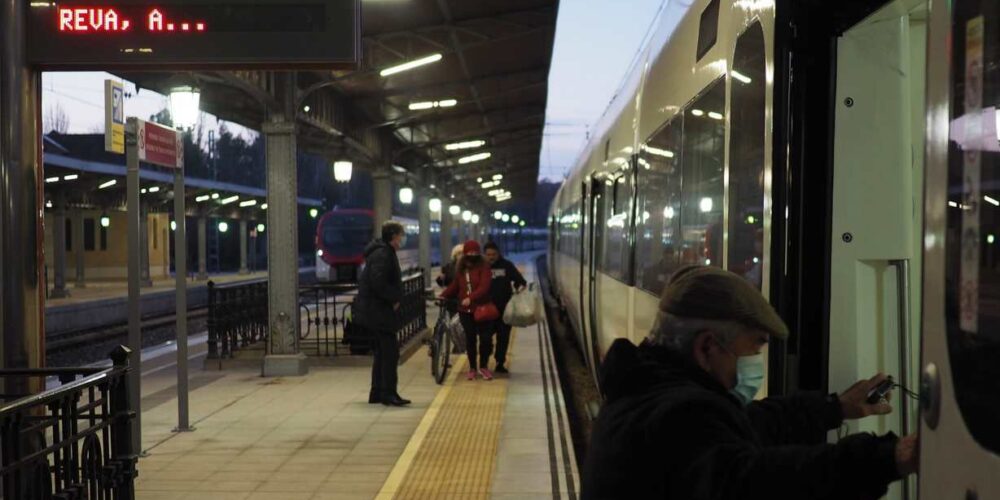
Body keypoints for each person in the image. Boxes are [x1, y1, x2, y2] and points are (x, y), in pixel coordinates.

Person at [582, 265, 918, 499]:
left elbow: (752, 422)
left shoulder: (647, 391)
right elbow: (758, 483)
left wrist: (834, 407)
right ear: (707, 347)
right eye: (755, 344)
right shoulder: (681, 414)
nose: (756, 358)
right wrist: (887, 458)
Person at [355, 220, 411, 407]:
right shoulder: (383, 253)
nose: (403, 238)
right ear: (394, 235)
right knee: (389, 354)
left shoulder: (382, 251)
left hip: (375, 310)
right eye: (401, 235)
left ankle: (377, 392)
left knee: (381, 353)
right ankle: (388, 393)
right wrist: (393, 299)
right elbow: (378, 281)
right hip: (379, 311)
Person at [440, 240, 495, 380]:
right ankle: (472, 368)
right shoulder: (461, 268)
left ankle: (483, 366)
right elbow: (455, 286)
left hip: (482, 309)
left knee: (485, 339)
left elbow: (484, 286)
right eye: (469, 253)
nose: (472, 255)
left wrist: (471, 298)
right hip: (465, 311)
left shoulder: (484, 267)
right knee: (470, 340)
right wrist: (443, 295)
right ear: (465, 254)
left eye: (475, 253)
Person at [484, 241, 527, 374]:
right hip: (485, 310)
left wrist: (516, 291)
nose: (491, 257)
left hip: (504, 310)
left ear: (498, 254)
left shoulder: (506, 265)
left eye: (494, 254)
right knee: (485, 338)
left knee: (503, 338)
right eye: (488, 254)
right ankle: (484, 362)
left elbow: (520, 281)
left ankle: (500, 362)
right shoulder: (481, 267)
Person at [436, 244, 465, 317]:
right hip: (452, 300)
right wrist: (440, 278)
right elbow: (442, 282)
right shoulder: (448, 267)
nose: (461, 255)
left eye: (463, 253)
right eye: (459, 253)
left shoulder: (469, 266)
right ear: (455, 255)